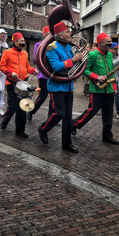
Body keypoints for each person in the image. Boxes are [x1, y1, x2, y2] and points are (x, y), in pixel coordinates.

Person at [37, 22, 83, 153]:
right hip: (57, 86)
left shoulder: (69, 47)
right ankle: (43, 128)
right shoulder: (52, 48)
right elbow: (56, 67)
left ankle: (67, 143)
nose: (70, 34)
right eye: (68, 32)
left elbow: (71, 65)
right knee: (59, 113)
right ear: (61, 35)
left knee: (68, 116)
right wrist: (73, 60)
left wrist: (78, 63)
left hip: (68, 86)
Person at [72, 32, 119, 145]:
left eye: (110, 43)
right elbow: (85, 70)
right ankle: (73, 125)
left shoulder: (109, 55)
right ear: (101, 43)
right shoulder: (92, 55)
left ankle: (107, 135)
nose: (110, 46)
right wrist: (96, 77)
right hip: (97, 89)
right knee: (91, 111)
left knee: (108, 113)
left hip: (108, 89)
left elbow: (111, 73)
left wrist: (114, 87)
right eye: (108, 43)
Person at [0, 32, 38, 138]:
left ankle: (20, 131)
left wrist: (33, 70)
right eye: (21, 41)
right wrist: (10, 72)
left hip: (23, 84)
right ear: (15, 42)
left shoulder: (25, 53)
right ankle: (5, 121)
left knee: (22, 108)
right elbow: (1, 67)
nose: (23, 43)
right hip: (11, 84)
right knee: (12, 107)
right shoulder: (7, 52)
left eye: (24, 41)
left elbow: (28, 67)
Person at [28, 26, 50, 121]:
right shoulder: (38, 45)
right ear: (44, 34)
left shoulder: (55, 45)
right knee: (42, 96)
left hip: (52, 75)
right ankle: (31, 111)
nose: (49, 36)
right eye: (48, 34)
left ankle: (51, 116)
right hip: (43, 75)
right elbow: (34, 59)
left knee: (54, 98)